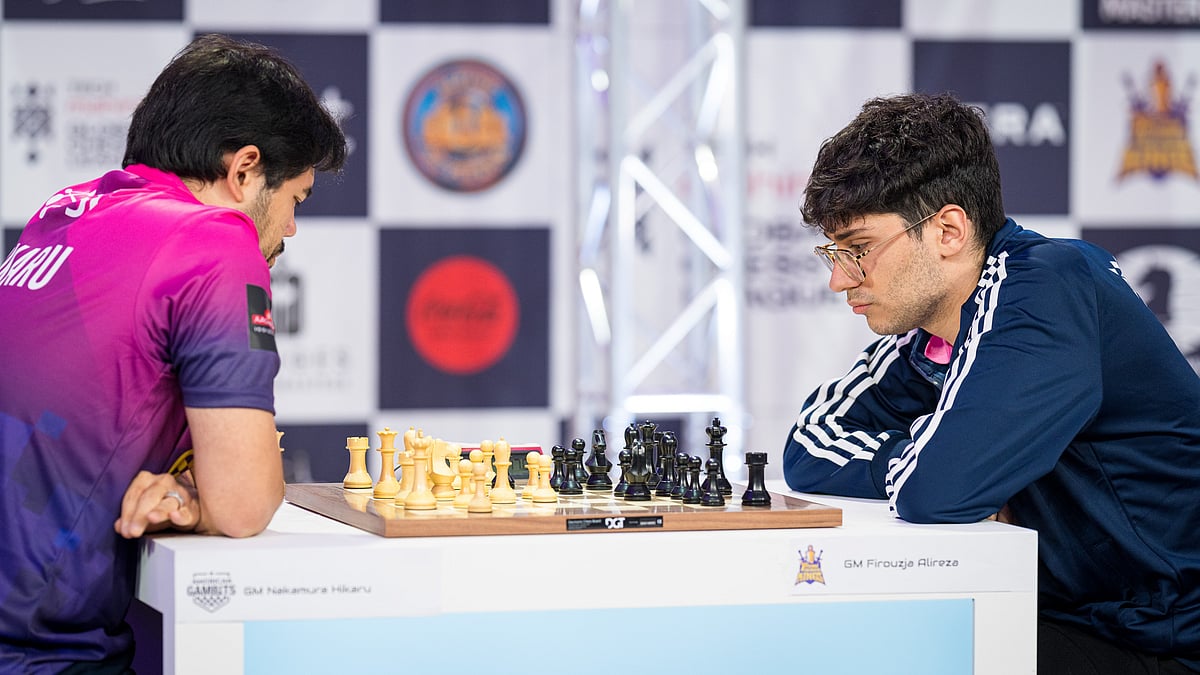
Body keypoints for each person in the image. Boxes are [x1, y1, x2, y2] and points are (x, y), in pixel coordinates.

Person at [782, 93, 1200, 673]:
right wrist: (944, 450)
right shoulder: (928, 333)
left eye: (859, 249)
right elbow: (808, 445)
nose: (839, 279)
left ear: (949, 230)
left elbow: (938, 487)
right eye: (834, 253)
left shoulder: (1051, 284)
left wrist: (952, 464)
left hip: (1168, 638)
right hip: (1078, 617)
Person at [0, 34, 346, 673]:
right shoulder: (213, 240)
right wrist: (202, 491)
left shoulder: (68, 210)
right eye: (295, 199)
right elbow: (243, 503)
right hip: (40, 654)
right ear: (244, 170)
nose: (292, 229)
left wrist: (188, 481)